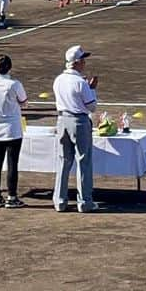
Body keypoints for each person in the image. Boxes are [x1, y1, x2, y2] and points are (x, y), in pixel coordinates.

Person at [52, 44, 99, 212]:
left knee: (63, 161)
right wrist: (93, 90)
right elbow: (92, 107)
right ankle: (85, 201)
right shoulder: (80, 82)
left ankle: (59, 200)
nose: (85, 63)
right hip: (79, 121)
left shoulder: (58, 80)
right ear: (77, 62)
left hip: (62, 119)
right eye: (83, 60)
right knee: (83, 161)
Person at [0, 54, 27, 208]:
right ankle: (12, 196)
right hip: (12, 129)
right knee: (12, 164)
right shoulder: (14, 84)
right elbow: (24, 102)